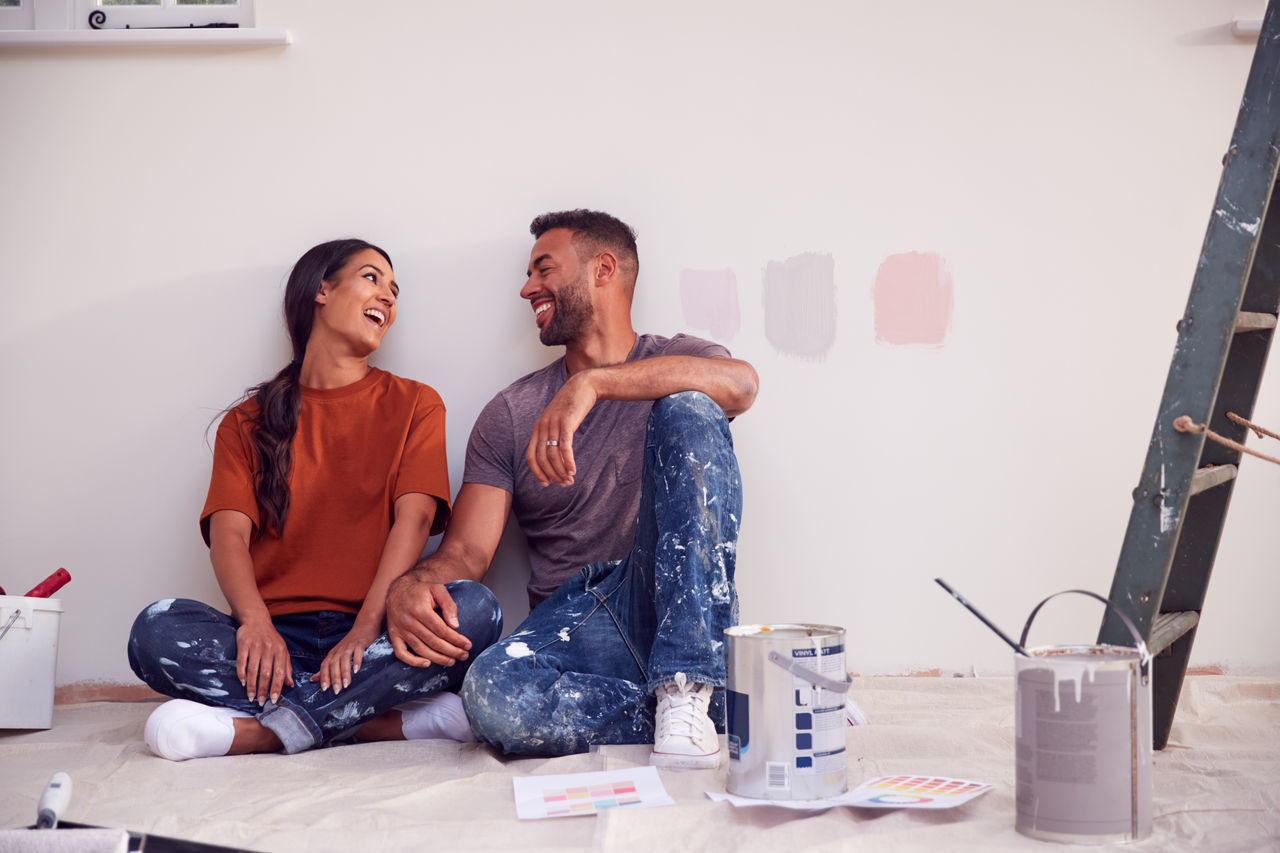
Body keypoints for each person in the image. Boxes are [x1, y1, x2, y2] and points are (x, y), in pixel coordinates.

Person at [385, 210, 758, 768]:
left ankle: (686, 684)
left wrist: (593, 384)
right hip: (577, 622)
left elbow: (742, 385)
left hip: (667, 598)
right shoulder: (510, 413)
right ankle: (714, 709)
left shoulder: (682, 358)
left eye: (543, 269)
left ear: (603, 269)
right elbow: (467, 551)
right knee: (491, 698)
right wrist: (407, 586)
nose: (526, 287)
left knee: (690, 407)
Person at [127, 239, 502, 761]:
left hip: (377, 635)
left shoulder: (417, 402)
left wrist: (365, 631)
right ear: (322, 290)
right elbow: (228, 533)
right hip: (274, 639)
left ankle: (262, 730)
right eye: (372, 278)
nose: (388, 298)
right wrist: (255, 623)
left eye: (395, 290)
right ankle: (373, 720)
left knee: (476, 610)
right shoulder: (247, 421)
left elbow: (413, 521)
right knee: (156, 628)